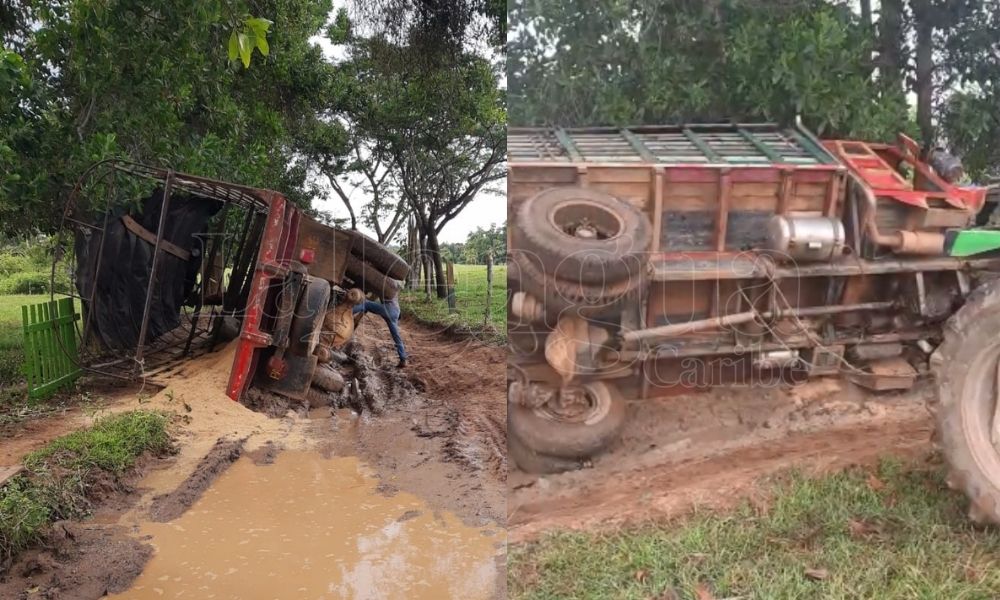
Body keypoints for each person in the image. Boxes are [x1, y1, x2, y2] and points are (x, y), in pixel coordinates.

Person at [352, 280, 407, 368]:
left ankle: (346, 311)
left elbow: (371, 298)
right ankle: (403, 358)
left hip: (388, 309)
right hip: (396, 312)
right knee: (396, 336)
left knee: (365, 304)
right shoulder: (394, 286)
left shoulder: (385, 283)